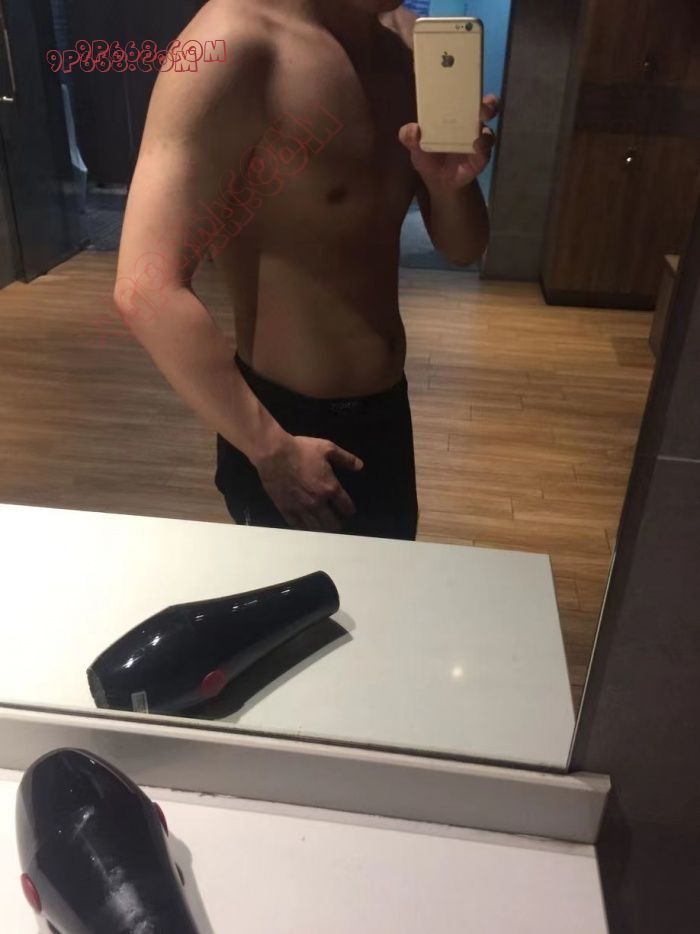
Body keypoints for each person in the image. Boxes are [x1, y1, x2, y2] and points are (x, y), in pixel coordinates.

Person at [115, 0, 499, 540]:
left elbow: (463, 248)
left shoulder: (408, 44)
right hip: (286, 428)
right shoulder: (229, 46)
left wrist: (449, 186)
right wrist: (270, 449)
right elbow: (145, 288)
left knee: (386, 592)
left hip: (388, 411)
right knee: (302, 598)